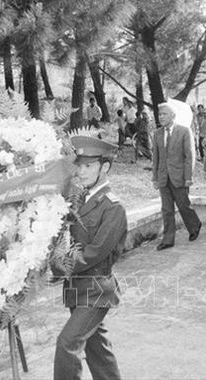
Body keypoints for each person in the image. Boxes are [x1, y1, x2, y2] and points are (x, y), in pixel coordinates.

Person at [52, 136, 126, 380]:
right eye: (79, 165)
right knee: (97, 348)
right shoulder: (78, 199)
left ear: (104, 167)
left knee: (67, 343)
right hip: (77, 289)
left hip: (96, 290)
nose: (81, 171)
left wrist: (61, 266)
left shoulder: (113, 207)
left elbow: (94, 253)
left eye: (88, 166)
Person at [152, 103, 202, 250]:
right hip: (163, 177)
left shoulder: (184, 131)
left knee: (183, 205)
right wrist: (155, 178)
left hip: (179, 177)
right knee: (166, 209)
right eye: (160, 114)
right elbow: (156, 157)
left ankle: (194, 225)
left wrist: (188, 177)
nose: (161, 117)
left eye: (164, 114)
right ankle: (168, 240)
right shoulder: (157, 134)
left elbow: (189, 156)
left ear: (173, 116)